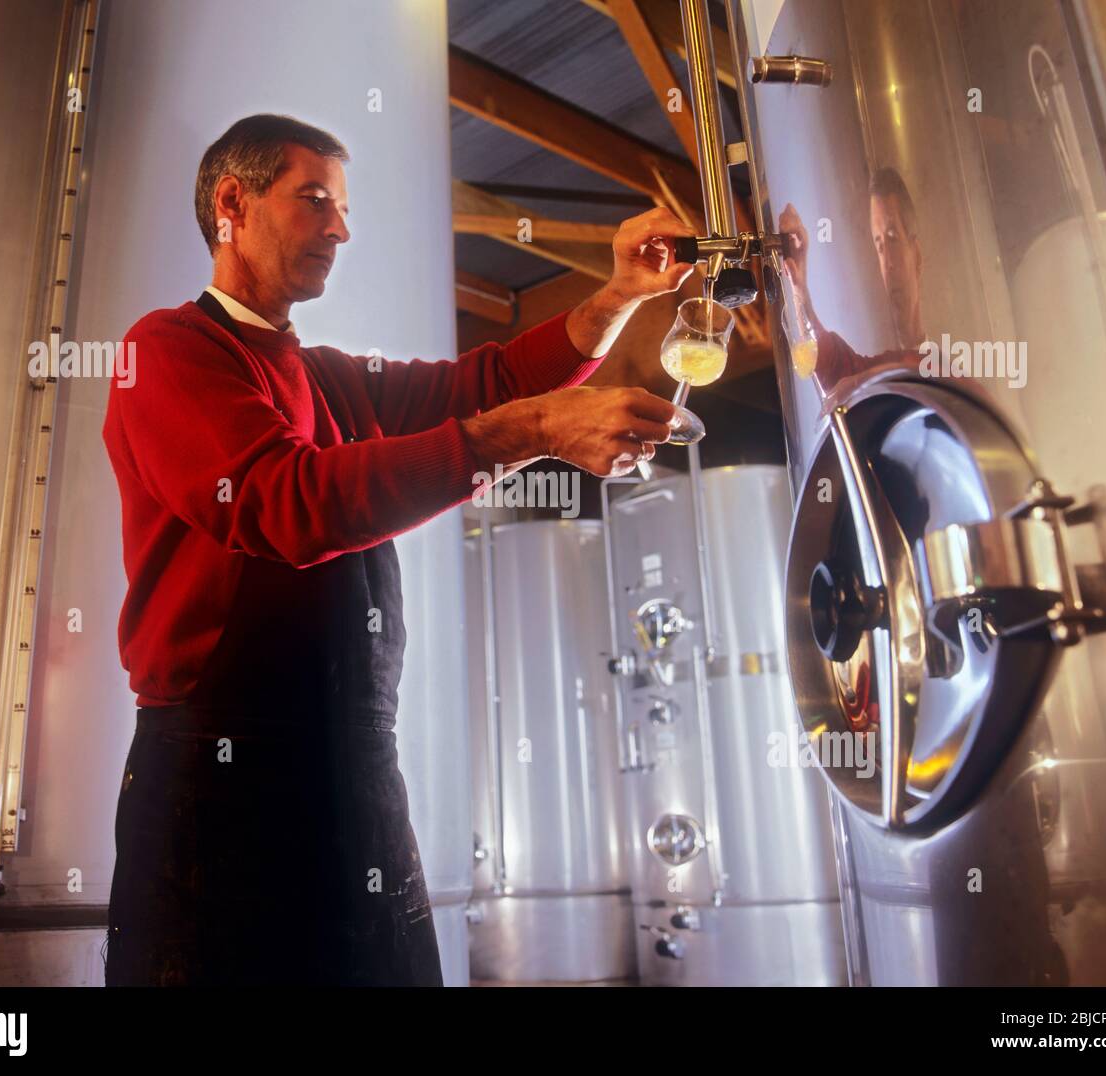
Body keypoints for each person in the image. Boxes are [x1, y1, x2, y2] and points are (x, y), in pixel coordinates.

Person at [99, 114, 694, 986]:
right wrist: (534, 431)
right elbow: (286, 503)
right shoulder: (164, 353)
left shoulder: (331, 376)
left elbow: (483, 383)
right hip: (220, 773)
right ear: (233, 203)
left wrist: (620, 297)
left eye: (343, 207)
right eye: (315, 201)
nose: (341, 228)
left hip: (360, 760)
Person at [779, 166, 927, 401]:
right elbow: (833, 367)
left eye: (892, 239)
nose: (887, 262)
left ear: (916, 255)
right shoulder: (884, 365)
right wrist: (799, 284)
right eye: (879, 245)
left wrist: (859, 382)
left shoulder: (948, 370)